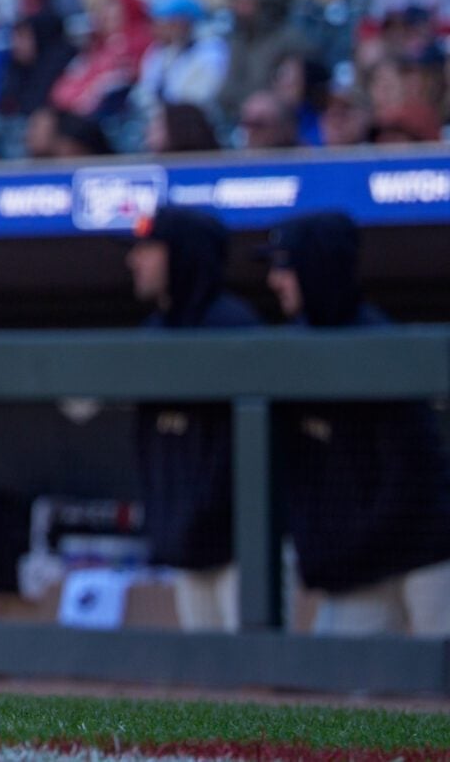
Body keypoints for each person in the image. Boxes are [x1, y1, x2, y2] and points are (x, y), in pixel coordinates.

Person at [262, 213, 450, 636]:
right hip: (364, 564)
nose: (275, 281)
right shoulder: (292, 350)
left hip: (428, 553)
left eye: (285, 267)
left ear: (316, 267)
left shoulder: (376, 342)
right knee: (336, 682)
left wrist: (342, 555)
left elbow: (414, 478)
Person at [128, 207, 259, 631]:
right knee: (204, 687)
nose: (135, 260)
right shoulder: (151, 334)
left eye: (149, 249)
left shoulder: (235, 329)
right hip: (184, 548)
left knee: (256, 680)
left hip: (243, 548)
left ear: (183, 255)